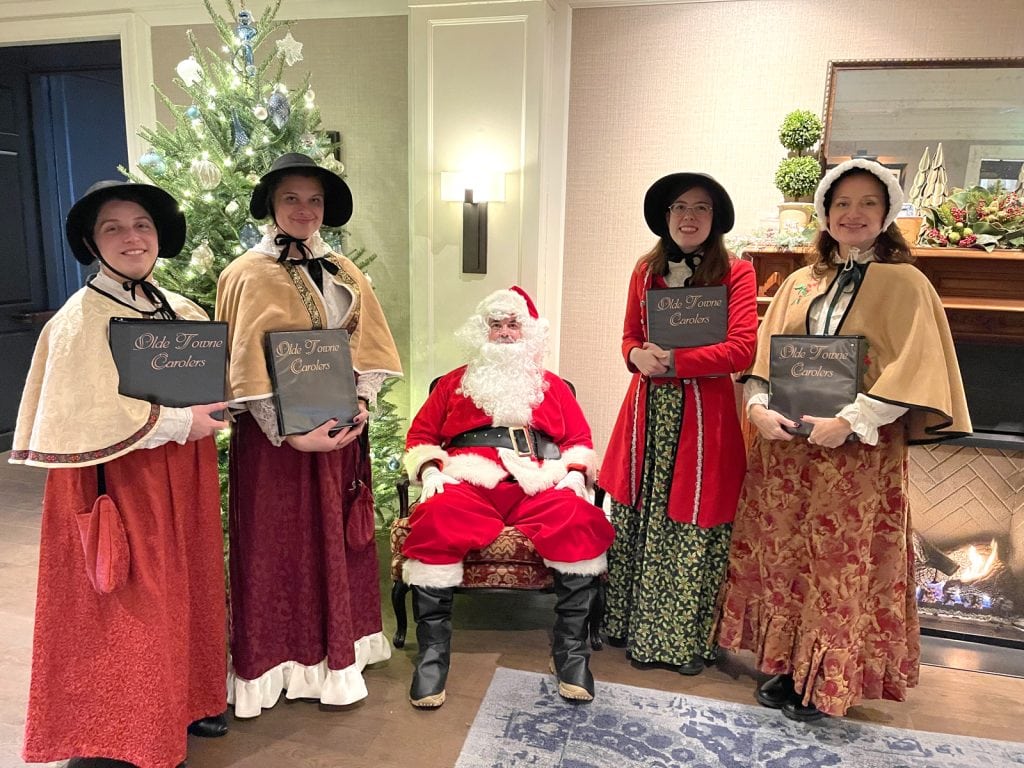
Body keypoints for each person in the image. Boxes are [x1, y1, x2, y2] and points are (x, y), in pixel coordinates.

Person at [716, 158, 972, 722]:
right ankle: (786, 666)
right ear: (826, 215)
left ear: (887, 214)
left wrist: (852, 420)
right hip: (786, 451)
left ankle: (825, 679)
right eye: (842, 204)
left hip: (856, 455)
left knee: (838, 563)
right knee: (787, 556)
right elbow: (764, 357)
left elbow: (917, 369)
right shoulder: (802, 282)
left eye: (867, 204)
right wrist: (756, 407)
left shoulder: (906, 283)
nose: (853, 214)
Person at [10, 181, 229, 768]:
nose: (132, 238)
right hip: (116, 482)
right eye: (114, 227)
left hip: (182, 474)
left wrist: (215, 411)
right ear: (92, 241)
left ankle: (186, 700)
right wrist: (184, 421)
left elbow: (206, 386)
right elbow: (89, 411)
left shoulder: (180, 308)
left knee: (189, 584)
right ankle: (122, 730)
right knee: (132, 597)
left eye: (142, 226)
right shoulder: (81, 320)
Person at [216, 152, 402, 718]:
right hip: (279, 446)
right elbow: (241, 364)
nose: (304, 209)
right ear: (272, 206)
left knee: (340, 540)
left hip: (340, 435)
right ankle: (279, 661)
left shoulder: (346, 271)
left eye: (314, 200)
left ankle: (339, 655)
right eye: (292, 198)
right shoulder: (245, 273)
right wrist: (289, 434)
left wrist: (363, 402)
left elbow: (368, 345)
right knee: (282, 545)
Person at [401, 287, 615, 708]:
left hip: (536, 477)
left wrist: (574, 475)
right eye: (494, 325)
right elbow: (422, 436)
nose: (502, 334)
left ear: (528, 332)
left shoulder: (552, 386)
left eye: (512, 324)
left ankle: (571, 653)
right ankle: (432, 654)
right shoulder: (452, 383)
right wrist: (428, 470)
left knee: (578, 518)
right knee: (435, 519)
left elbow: (578, 439)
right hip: (468, 478)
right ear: (482, 332)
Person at [599, 173, 757, 675]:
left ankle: (682, 642)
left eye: (702, 208)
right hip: (649, 415)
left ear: (716, 218)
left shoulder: (737, 271)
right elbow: (628, 335)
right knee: (642, 517)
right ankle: (628, 627)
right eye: (679, 207)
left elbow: (742, 348)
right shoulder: (645, 270)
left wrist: (674, 364)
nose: (689, 217)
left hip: (705, 417)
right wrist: (635, 354)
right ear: (666, 216)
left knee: (690, 522)